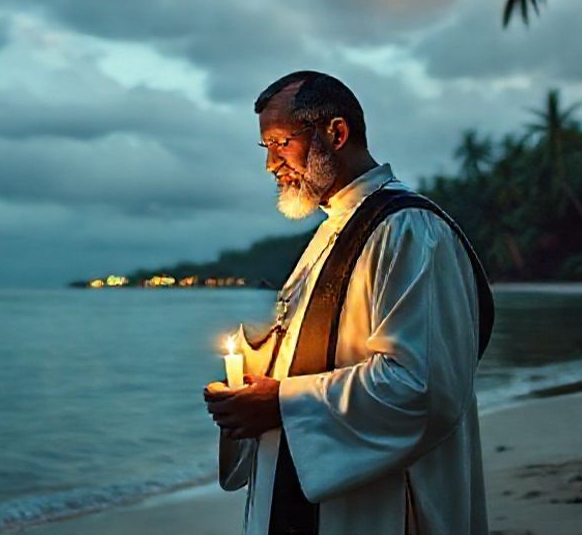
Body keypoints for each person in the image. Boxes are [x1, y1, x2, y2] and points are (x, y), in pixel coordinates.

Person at [203, 71, 491, 534]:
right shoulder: (333, 230)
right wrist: (254, 379)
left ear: (336, 133)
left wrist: (281, 404)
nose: (271, 165)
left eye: (281, 143)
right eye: (267, 148)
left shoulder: (408, 230)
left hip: (377, 508)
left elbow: (424, 388)